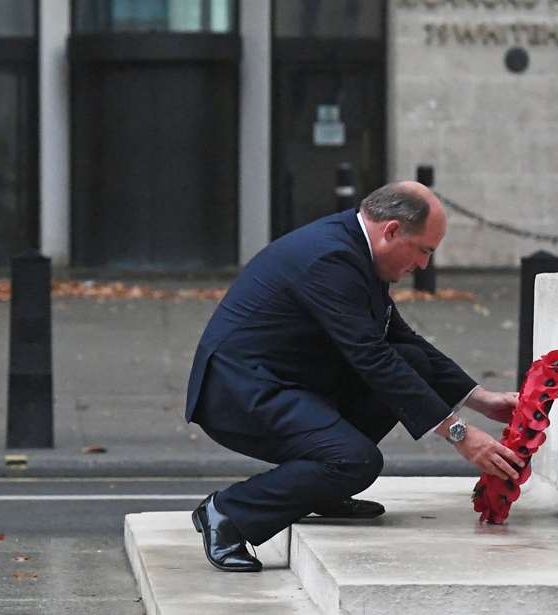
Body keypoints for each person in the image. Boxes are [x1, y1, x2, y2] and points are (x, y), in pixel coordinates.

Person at [185, 181, 523, 571]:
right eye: (424, 251)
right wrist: (460, 434)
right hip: (241, 393)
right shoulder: (330, 260)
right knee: (355, 461)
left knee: (412, 358)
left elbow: (397, 338)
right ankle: (227, 514)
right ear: (392, 230)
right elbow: (371, 357)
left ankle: (323, 492)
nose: (424, 266)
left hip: (290, 380)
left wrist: (482, 399)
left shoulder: (358, 249)